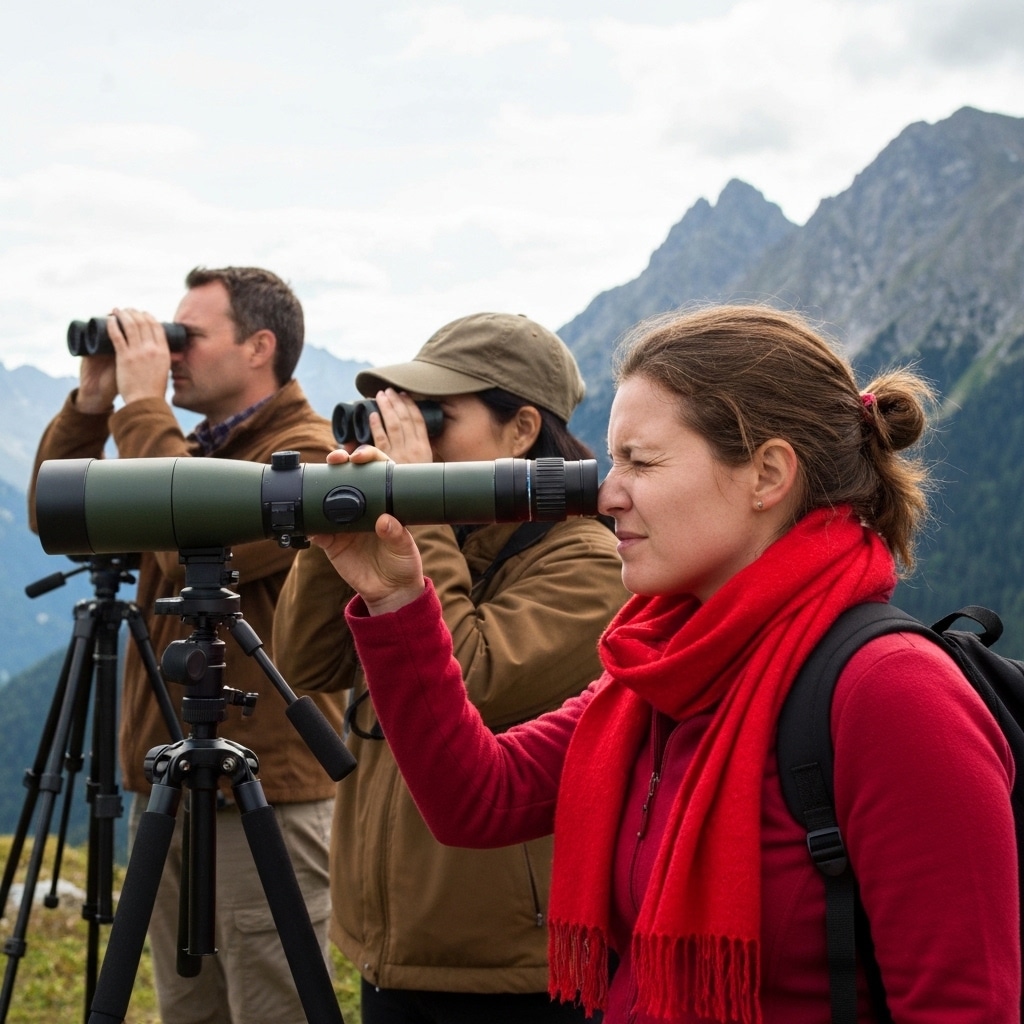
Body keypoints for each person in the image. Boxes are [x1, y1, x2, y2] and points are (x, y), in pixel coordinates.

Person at [309, 304, 1020, 1023]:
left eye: (641, 463)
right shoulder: (664, 669)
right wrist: (397, 598)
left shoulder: (894, 693)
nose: (606, 493)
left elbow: (964, 1007)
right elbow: (479, 797)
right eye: (614, 461)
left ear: (768, 473)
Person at [272, 311, 628, 1023]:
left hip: (513, 972)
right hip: (393, 946)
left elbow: (467, 681)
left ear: (521, 429)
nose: (409, 437)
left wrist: (417, 503)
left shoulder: (590, 562)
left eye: (434, 417)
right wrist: (336, 529)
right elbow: (304, 661)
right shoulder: (444, 542)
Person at [28, 266, 343, 1024]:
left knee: (272, 1009)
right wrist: (93, 403)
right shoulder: (194, 447)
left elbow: (181, 539)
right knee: (188, 1010)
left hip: (260, 796)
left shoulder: (303, 457)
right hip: (169, 779)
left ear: (259, 347)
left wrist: (142, 407)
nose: (169, 354)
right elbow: (55, 513)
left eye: (187, 337)